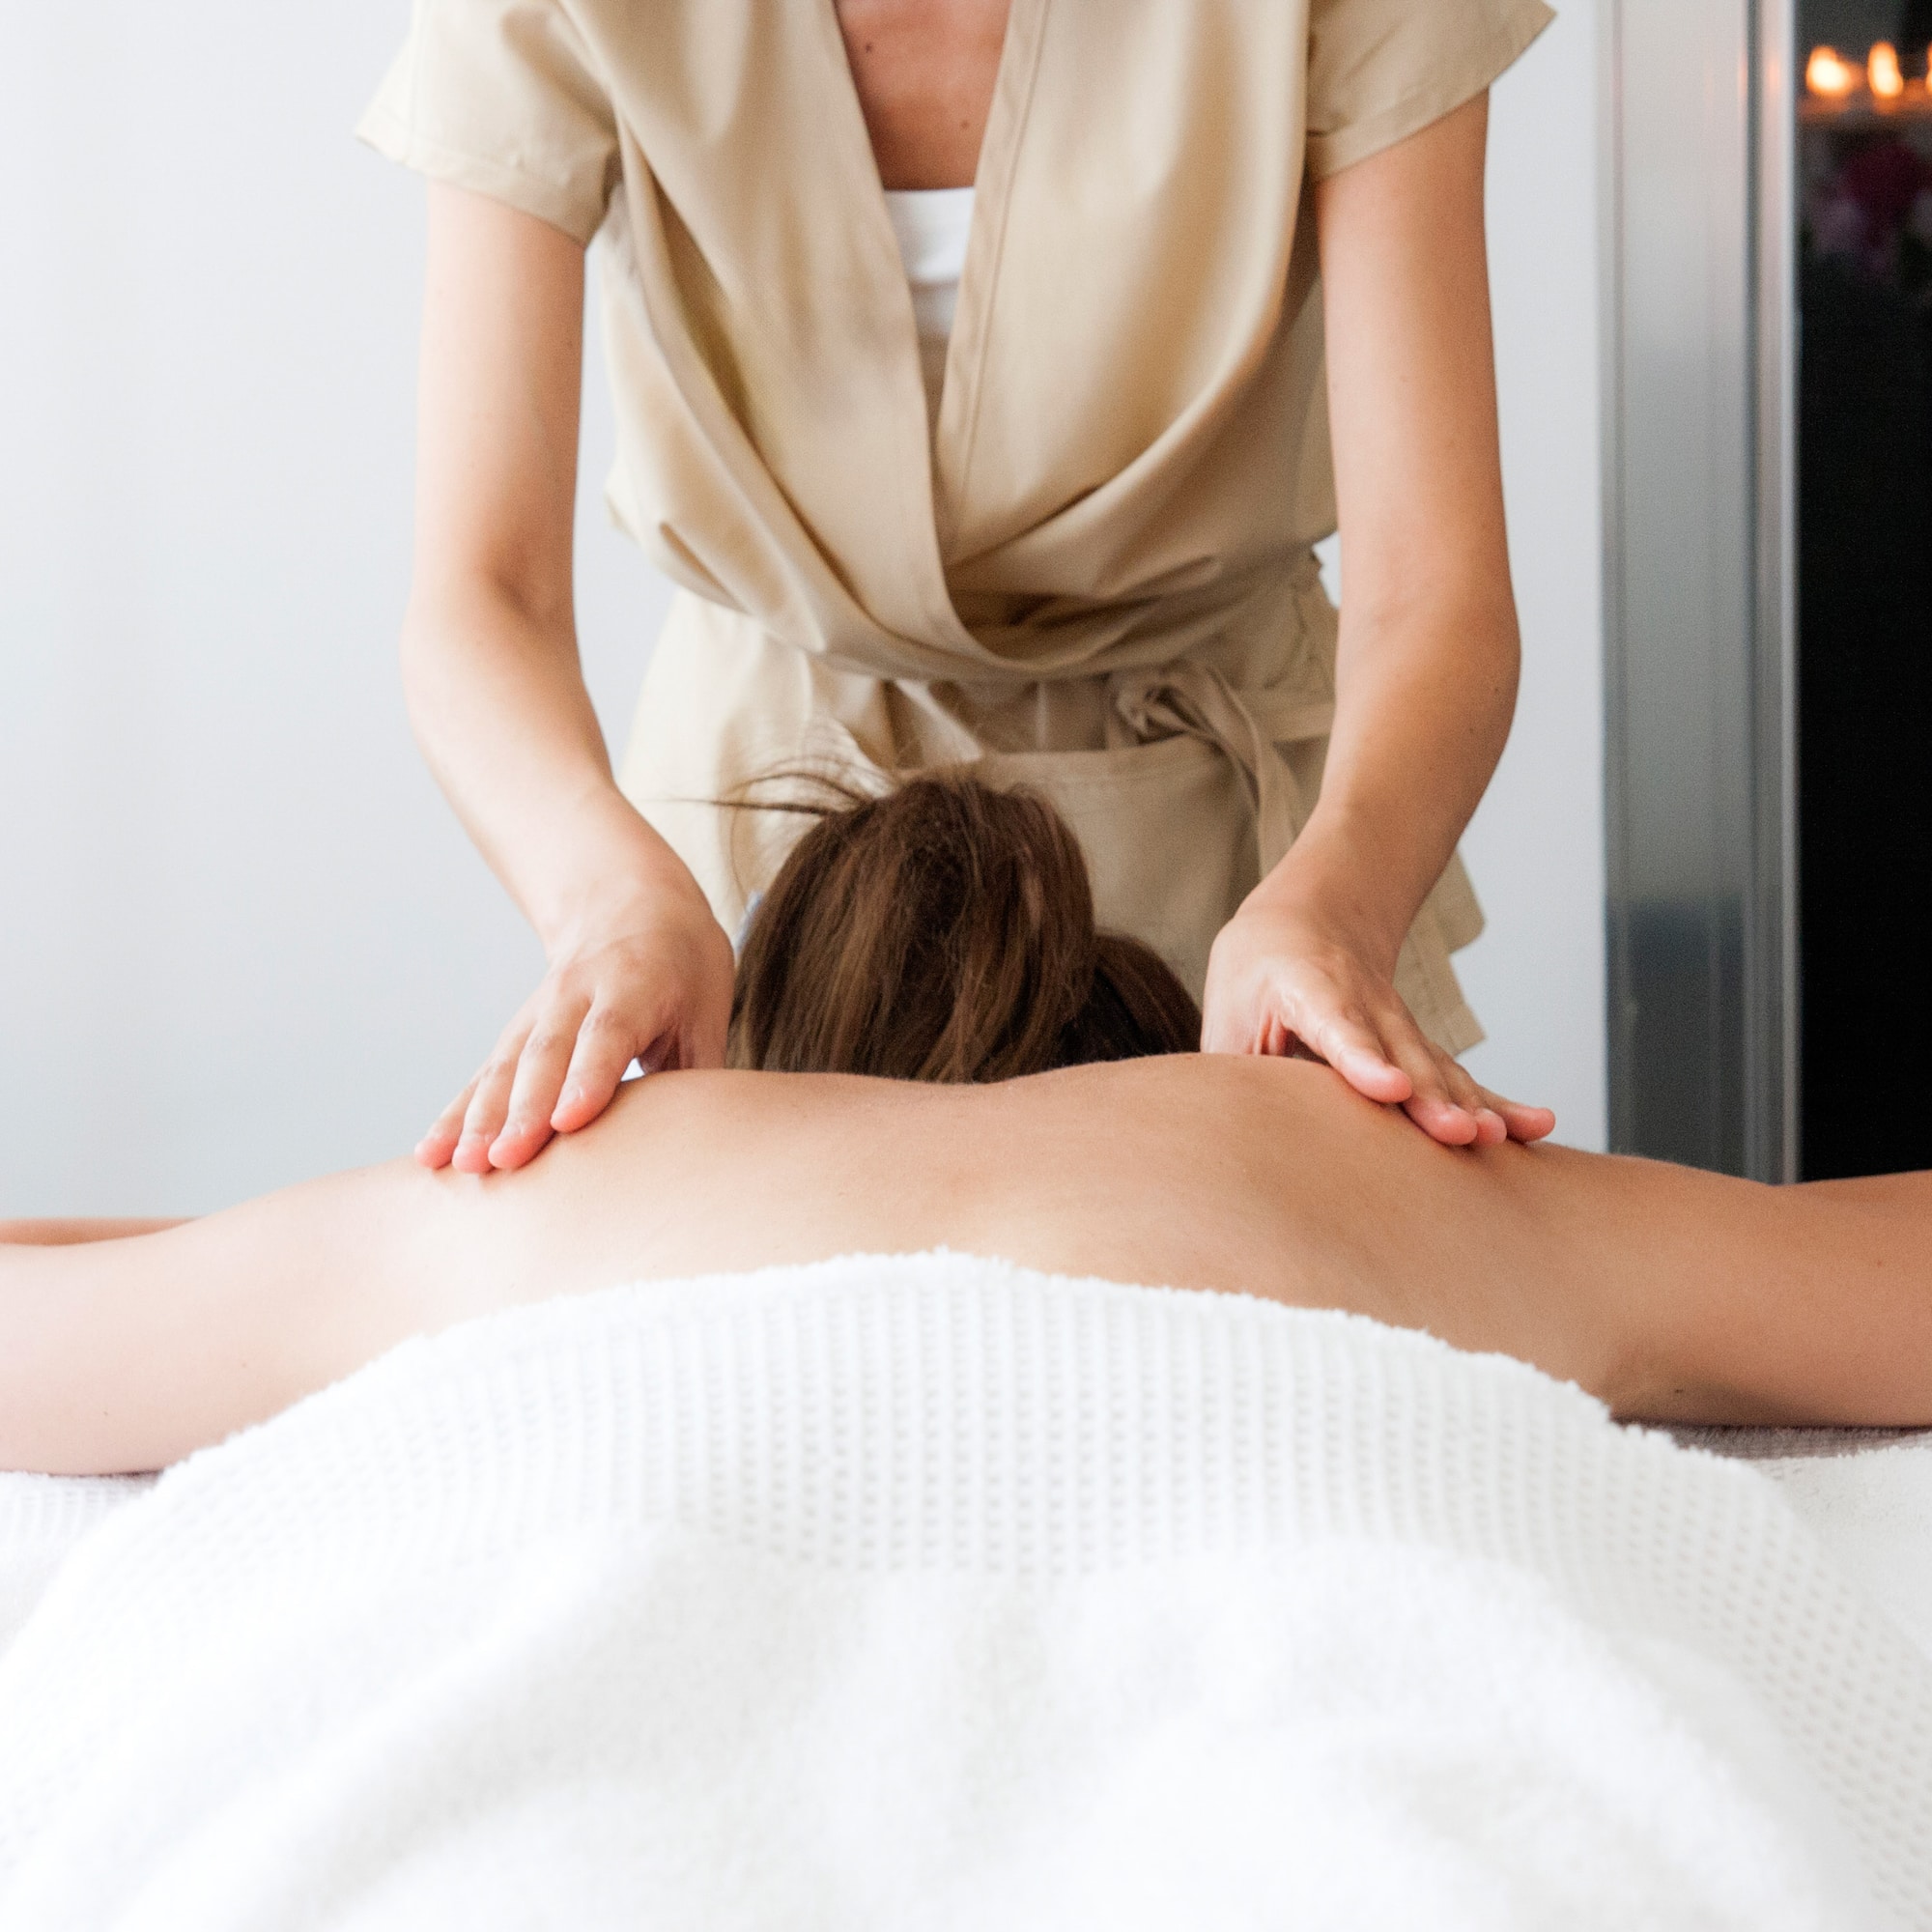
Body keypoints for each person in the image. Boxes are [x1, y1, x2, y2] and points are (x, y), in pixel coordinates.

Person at [358, 0, 1562, 1179]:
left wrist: (1337, 905)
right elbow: (486, 594)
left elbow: (1430, 587)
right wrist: (611, 909)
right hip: (742, 881)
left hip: (1252, 872)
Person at [4, 775, 1927, 1480]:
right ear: (1146, 1041)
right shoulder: (1346, 1153)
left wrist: (234, 1238)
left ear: (761, 1057)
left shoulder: (564, 1180)